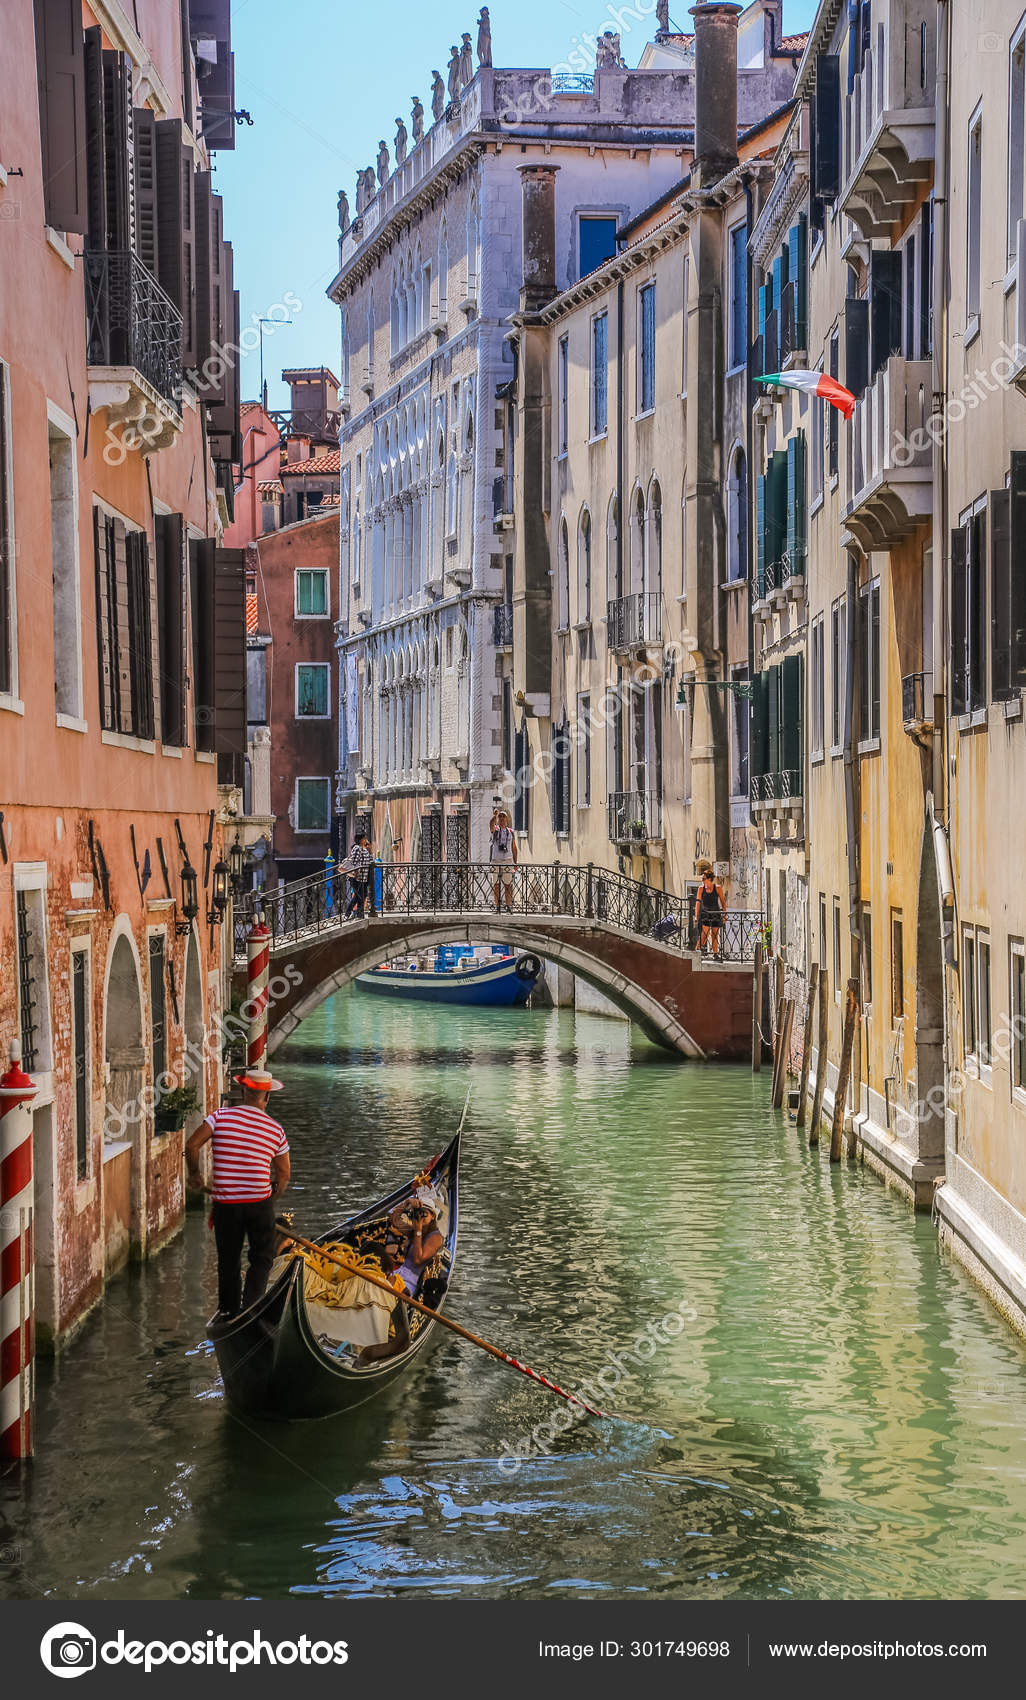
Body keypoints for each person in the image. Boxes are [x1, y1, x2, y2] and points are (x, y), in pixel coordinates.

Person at [185, 1067, 290, 1319]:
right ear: (266, 1098)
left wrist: (195, 1175)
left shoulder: (220, 1117)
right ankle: (251, 1308)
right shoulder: (275, 1129)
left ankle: (229, 1311)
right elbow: (284, 1175)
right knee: (262, 1258)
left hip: (226, 1205)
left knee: (229, 1260)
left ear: (243, 1092)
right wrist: (271, 1198)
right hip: (259, 1204)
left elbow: (191, 1146)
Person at [693, 868, 727, 960]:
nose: (702, 880)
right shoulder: (701, 889)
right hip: (705, 914)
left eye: (703, 879)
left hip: (716, 913)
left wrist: (724, 915)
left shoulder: (718, 888)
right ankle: (697, 951)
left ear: (709, 879)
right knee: (704, 934)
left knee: (715, 935)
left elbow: (723, 903)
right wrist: (696, 916)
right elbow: (698, 903)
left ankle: (715, 954)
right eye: (702, 879)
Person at [489, 804, 517, 912]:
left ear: (507, 818)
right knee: (496, 884)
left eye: (503, 816)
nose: (501, 818)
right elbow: (491, 824)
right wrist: (494, 816)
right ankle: (497, 906)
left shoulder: (511, 832)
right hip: (496, 860)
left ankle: (508, 906)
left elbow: (514, 848)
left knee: (508, 884)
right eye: (500, 817)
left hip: (508, 860)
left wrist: (515, 862)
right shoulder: (495, 830)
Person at [345, 832, 372, 919]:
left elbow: (370, 860)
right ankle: (349, 913)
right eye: (364, 838)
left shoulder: (363, 848)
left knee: (362, 896)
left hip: (364, 877)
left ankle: (358, 914)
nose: (366, 840)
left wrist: (369, 849)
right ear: (361, 840)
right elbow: (354, 862)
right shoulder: (357, 848)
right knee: (358, 896)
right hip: (357, 877)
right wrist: (355, 874)